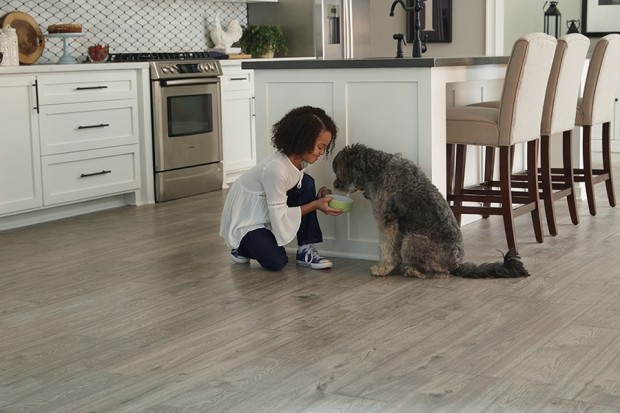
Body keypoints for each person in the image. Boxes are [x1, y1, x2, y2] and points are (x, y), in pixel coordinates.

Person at [219, 106, 343, 271]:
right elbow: (280, 216)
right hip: (248, 220)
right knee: (276, 262)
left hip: (268, 210)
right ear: (303, 139)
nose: (322, 152)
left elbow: (293, 195)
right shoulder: (276, 168)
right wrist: (315, 205)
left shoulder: (300, 163)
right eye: (320, 146)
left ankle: (305, 249)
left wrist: (317, 198)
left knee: (307, 182)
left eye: (325, 148)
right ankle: (240, 247)